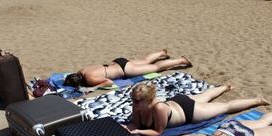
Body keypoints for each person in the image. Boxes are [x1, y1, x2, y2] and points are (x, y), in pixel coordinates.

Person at [124, 83, 270, 136]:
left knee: (225, 107)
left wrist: (139, 132)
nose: (133, 103)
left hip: (190, 112)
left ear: (148, 100)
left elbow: (158, 132)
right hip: (177, 102)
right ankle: (224, 87)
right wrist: (127, 128)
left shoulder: (159, 108)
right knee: (204, 95)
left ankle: (257, 100)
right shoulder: (137, 105)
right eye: (133, 99)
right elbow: (136, 124)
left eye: (137, 101)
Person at [63, 50, 192, 88]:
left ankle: (181, 60)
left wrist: (94, 87)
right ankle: (161, 52)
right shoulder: (82, 70)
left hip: (125, 70)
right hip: (117, 62)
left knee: (156, 68)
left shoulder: (90, 79)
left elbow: (109, 82)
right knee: (145, 61)